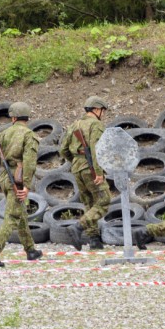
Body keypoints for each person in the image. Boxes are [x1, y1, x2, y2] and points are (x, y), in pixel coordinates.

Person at [0, 102, 80, 267]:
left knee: (19, 215)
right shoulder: (29, 136)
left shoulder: (1, 136)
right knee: (13, 216)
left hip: (5, 179)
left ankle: (30, 250)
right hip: (18, 180)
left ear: (13, 117)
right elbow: (29, 163)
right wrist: (26, 185)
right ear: (27, 117)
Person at [59, 96, 112, 249]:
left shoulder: (75, 125)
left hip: (77, 167)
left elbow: (63, 149)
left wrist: (76, 160)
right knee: (104, 200)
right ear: (96, 109)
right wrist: (98, 171)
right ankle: (78, 227)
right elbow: (97, 150)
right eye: (103, 111)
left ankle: (94, 239)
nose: (103, 114)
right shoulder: (96, 125)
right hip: (91, 167)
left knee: (88, 202)